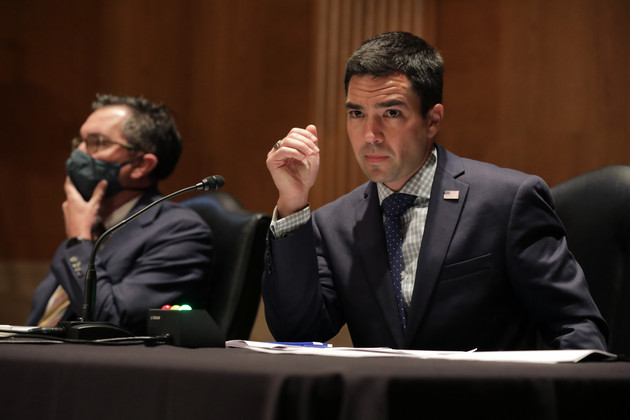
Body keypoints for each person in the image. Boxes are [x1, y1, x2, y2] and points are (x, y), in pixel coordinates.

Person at [262, 32, 608, 351]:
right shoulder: (334, 224)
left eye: (392, 113)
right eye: (357, 113)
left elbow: (576, 327)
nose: (370, 134)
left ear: (432, 120)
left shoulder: (506, 201)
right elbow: (298, 331)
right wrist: (293, 203)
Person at [27, 94, 213, 335]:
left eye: (97, 142)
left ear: (141, 165)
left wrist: (79, 241)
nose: (79, 154)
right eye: (80, 142)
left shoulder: (180, 233)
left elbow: (111, 320)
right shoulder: (92, 224)